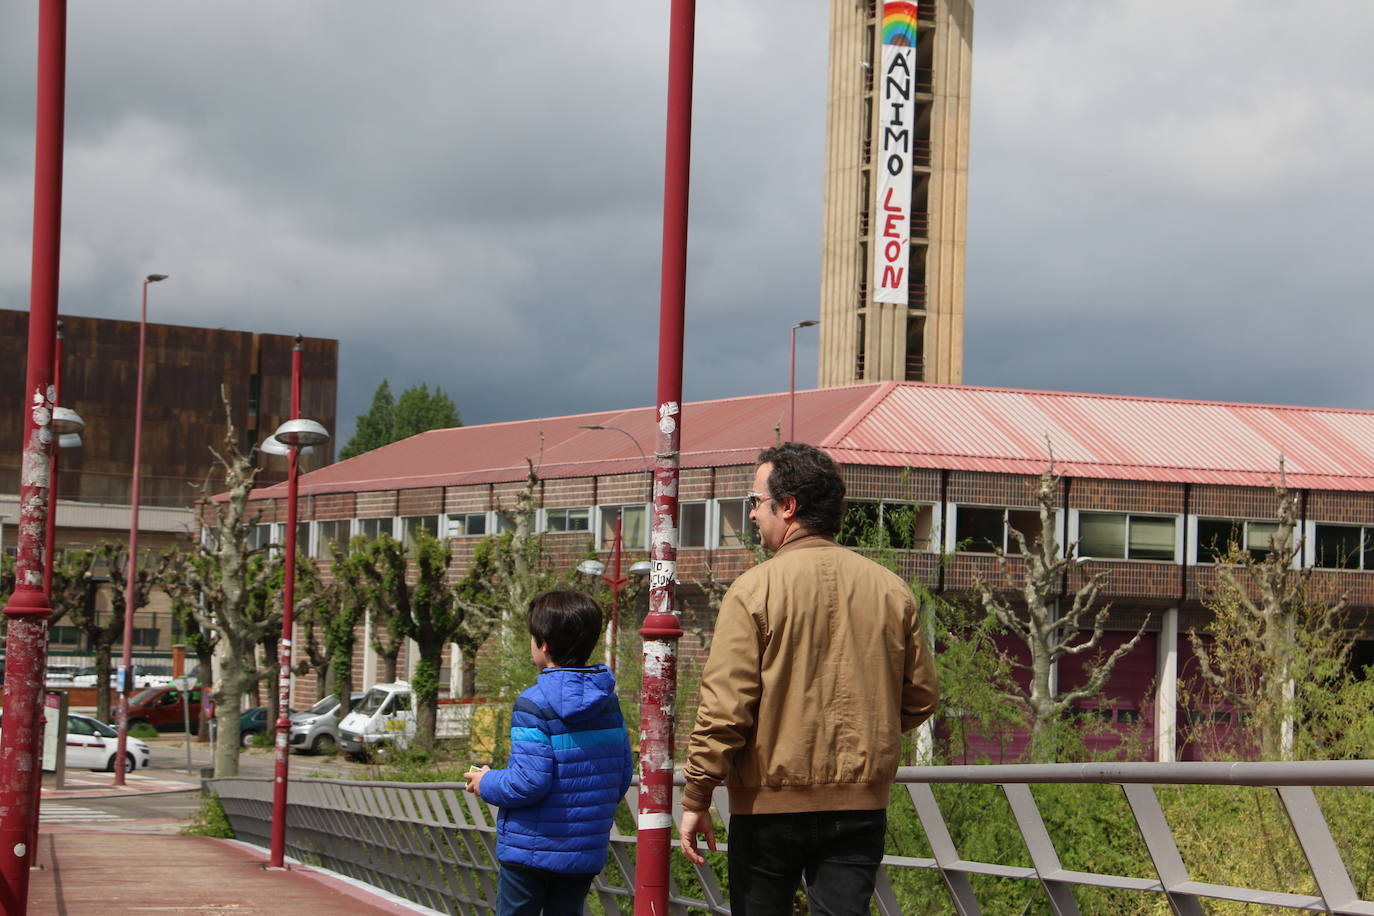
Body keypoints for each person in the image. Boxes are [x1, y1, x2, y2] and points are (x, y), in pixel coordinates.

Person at [678, 442, 939, 915]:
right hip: (860, 804)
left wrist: (697, 793)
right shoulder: (890, 589)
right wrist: (869, 727)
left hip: (766, 806)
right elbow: (920, 697)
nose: (753, 515)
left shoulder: (754, 590)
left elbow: (725, 710)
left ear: (788, 506)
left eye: (755, 502)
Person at [465, 589, 633, 916]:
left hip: (529, 851)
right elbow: (622, 774)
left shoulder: (533, 703)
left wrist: (485, 782)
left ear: (544, 644)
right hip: (583, 851)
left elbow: (528, 782)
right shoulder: (608, 701)